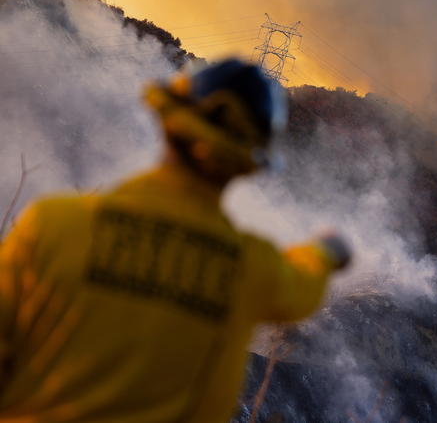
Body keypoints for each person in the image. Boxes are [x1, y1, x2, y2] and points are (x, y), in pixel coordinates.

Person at [0, 60, 350, 422]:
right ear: (247, 162)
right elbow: (302, 284)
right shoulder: (251, 268)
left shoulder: (52, 224)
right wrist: (326, 250)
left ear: (167, 120)